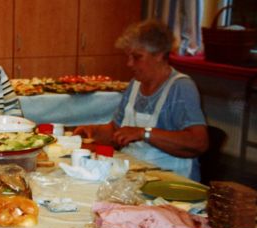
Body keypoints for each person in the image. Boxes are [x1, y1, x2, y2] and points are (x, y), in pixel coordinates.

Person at [73, 20, 208, 181]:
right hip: (135, 174)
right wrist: (94, 132)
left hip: (170, 180)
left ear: (159, 54)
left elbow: (198, 142)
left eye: (137, 57)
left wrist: (144, 133)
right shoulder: (136, 84)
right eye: (128, 56)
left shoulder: (181, 87)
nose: (129, 63)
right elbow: (117, 130)